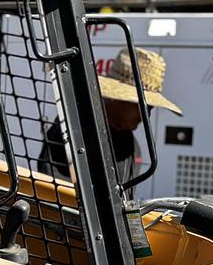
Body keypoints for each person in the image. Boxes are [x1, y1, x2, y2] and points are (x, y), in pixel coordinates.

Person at [39, 46, 182, 185]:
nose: (147, 115)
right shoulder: (73, 130)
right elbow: (55, 194)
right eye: (143, 106)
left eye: (151, 107)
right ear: (118, 98)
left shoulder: (131, 147)